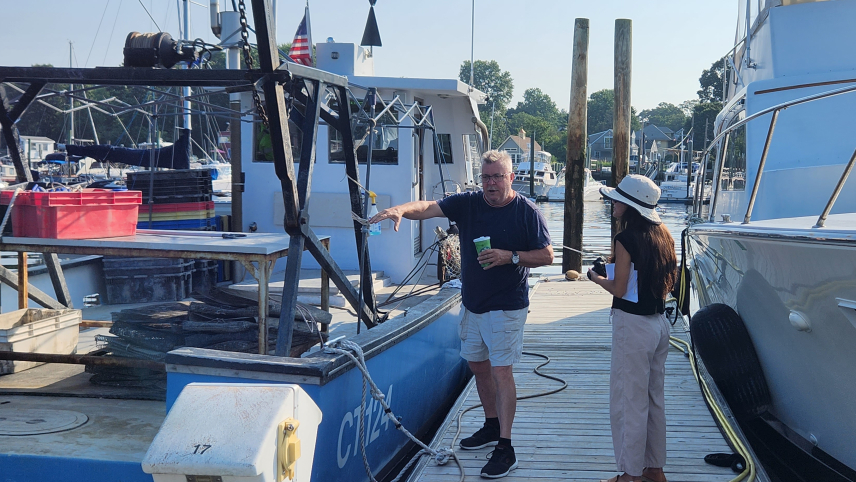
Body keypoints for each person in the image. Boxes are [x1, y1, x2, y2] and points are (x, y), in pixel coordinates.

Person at [369, 150, 553, 478]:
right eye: (486, 177)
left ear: (512, 178)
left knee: (501, 372)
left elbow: (546, 256)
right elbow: (428, 207)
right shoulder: (469, 202)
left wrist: (509, 257)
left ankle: (505, 447)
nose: (491, 183)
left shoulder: (527, 212)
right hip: (472, 303)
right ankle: (491, 425)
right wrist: (400, 209)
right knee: (478, 368)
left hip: (507, 306)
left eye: (498, 176)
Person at [588, 175, 677, 482]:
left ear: (630, 205)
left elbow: (619, 288)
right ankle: (654, 469)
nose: (612, 203)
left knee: (629, 402)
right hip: (659, 325)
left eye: (617, 199)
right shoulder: (664, 234)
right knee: (653, 400)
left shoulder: (625, 239)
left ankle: (630, 475)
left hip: (634, 328)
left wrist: (594, 276)